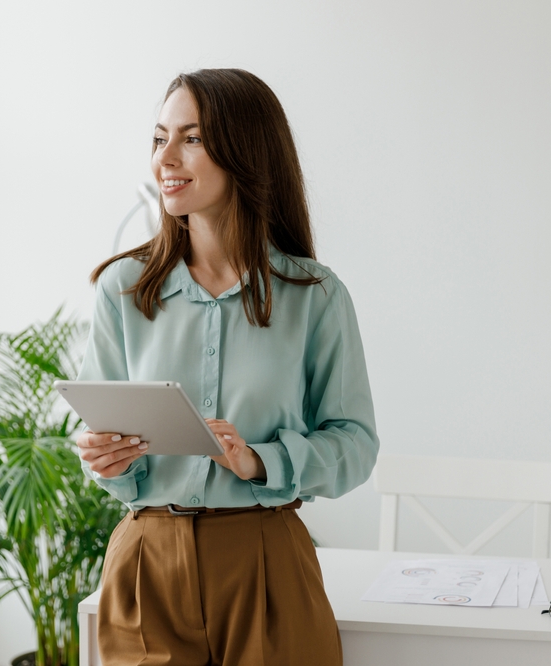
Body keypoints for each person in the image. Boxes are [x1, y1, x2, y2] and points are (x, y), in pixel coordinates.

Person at [74, 68, 379, 666]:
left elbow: (356, 446)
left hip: (266, 561)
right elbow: (103, 441)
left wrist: (260, 459)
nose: (166, 157)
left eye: (191, 137)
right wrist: (103, 458)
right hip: (146, 564)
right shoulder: (123, 290)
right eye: (159, 138)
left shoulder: (314, 296)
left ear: (246, 152)